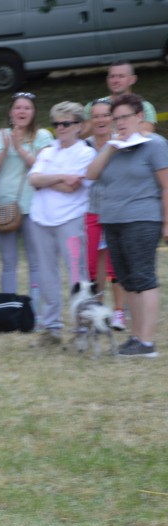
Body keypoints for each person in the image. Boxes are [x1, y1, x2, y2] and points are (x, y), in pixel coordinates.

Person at [86, 93, 168, 357]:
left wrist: (167, 223)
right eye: (116, 118)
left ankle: (147, 342)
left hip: (143, 219)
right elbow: (91, 174)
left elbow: (166, 186)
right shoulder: (113, 146)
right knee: (127, 279)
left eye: (125, 117)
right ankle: (136, 337)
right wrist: (110, 148)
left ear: (139, 116)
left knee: (143, 278)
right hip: (112, 220)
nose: (120, 123)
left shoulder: (155, 145)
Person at [28, 101, 96, 345]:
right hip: (40, 219)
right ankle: (51, 327)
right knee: (47, 274)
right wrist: (60, 177)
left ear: (79, 126)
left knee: (77, 273)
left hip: (70, 219)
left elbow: (72, 187)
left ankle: (82, 328)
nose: (60, 128)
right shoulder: (48, 151)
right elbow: (33, 179)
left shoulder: (85, 153)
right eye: (56, 124)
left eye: (66, 123)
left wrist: (46, 180)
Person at [0, 92, 53, 306]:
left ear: (33, 112)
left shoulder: (42, 136)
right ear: (10, 112)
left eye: (27, 108)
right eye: (18, 107)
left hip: (34, 207)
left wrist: (20, 148)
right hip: (4, 206)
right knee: (8, 262)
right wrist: (5, 150)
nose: (22, 112)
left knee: (36, 261)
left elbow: (44, 168)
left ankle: (35, 310)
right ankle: (9, 309)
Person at [83, 97, 126, 331]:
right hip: (90, 211)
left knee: (114, 263)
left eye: (105, 115)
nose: (101, 120)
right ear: (90, 120)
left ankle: (119, 312)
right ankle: (97, 311)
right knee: (92, 266)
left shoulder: (121, 143)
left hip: (116, 211)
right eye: (96, 116)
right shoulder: (84, 146)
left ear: (113, 118)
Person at [83, 62, 157, 137]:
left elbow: (147, 132)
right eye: (112, 76)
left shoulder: (144, 106)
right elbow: (84, 135)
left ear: (132, 79)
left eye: (121, 76)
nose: (115, 80)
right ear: (107, 79)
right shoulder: (93, 106)